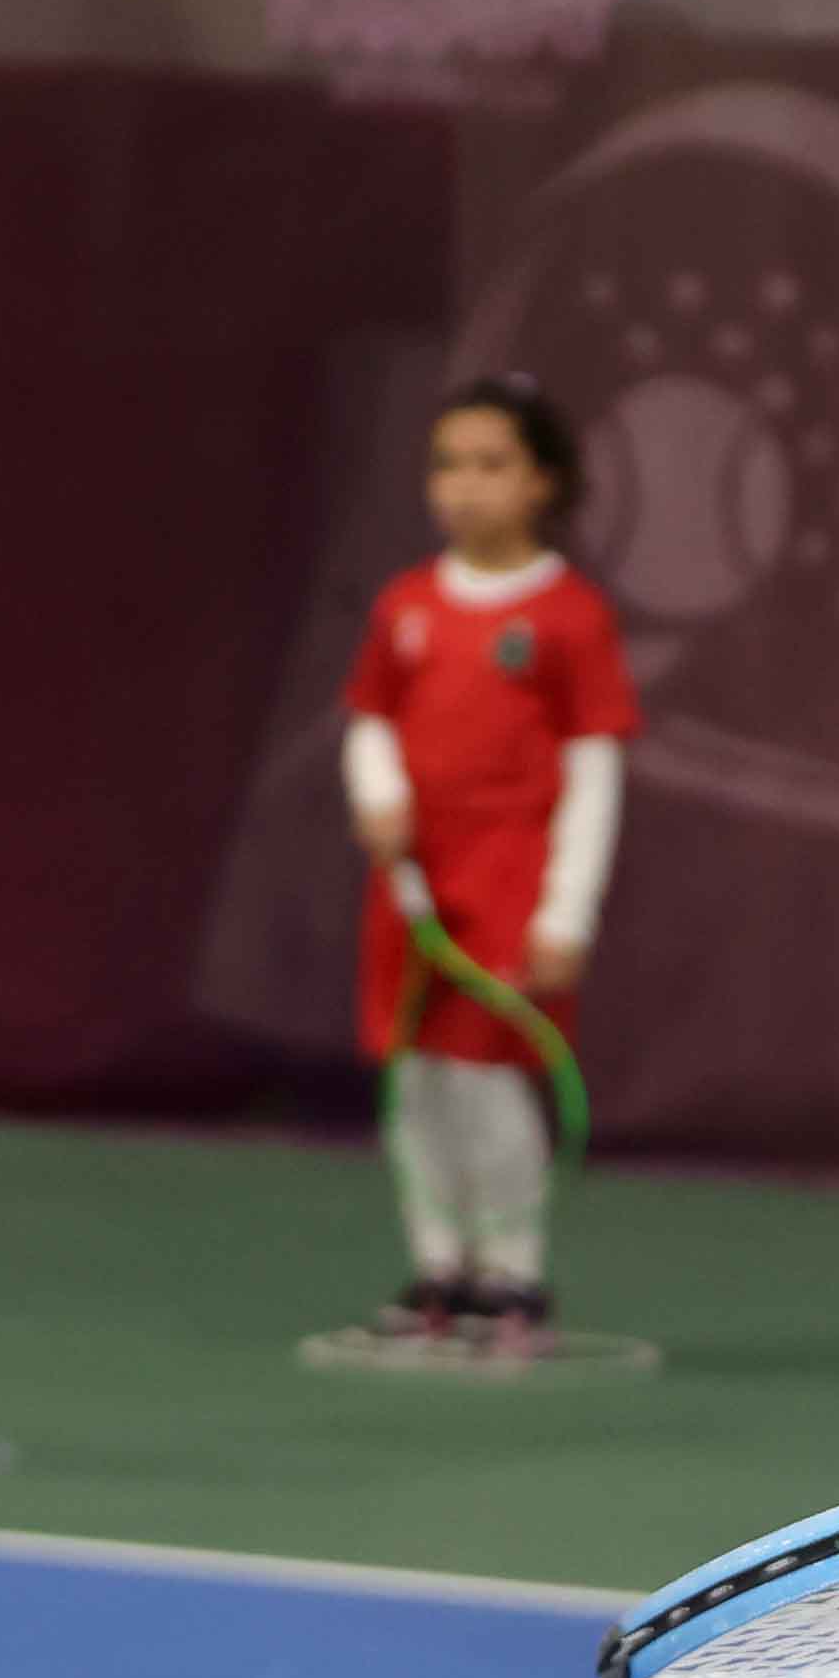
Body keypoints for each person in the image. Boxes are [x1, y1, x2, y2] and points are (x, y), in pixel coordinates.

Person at [333, 373, 633, 1353]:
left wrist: (566, 913)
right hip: (411, 891)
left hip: (508, 885)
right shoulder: (406, 604)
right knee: (417, 1079)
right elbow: (370, 719)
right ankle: (439, 1266)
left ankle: (510, 1273)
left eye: (492, 464)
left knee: (487, 1080)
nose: (464, 485)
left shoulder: (569, 616)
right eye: (447, 464)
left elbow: (594, 770)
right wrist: (377, 793)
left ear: (543, 481)